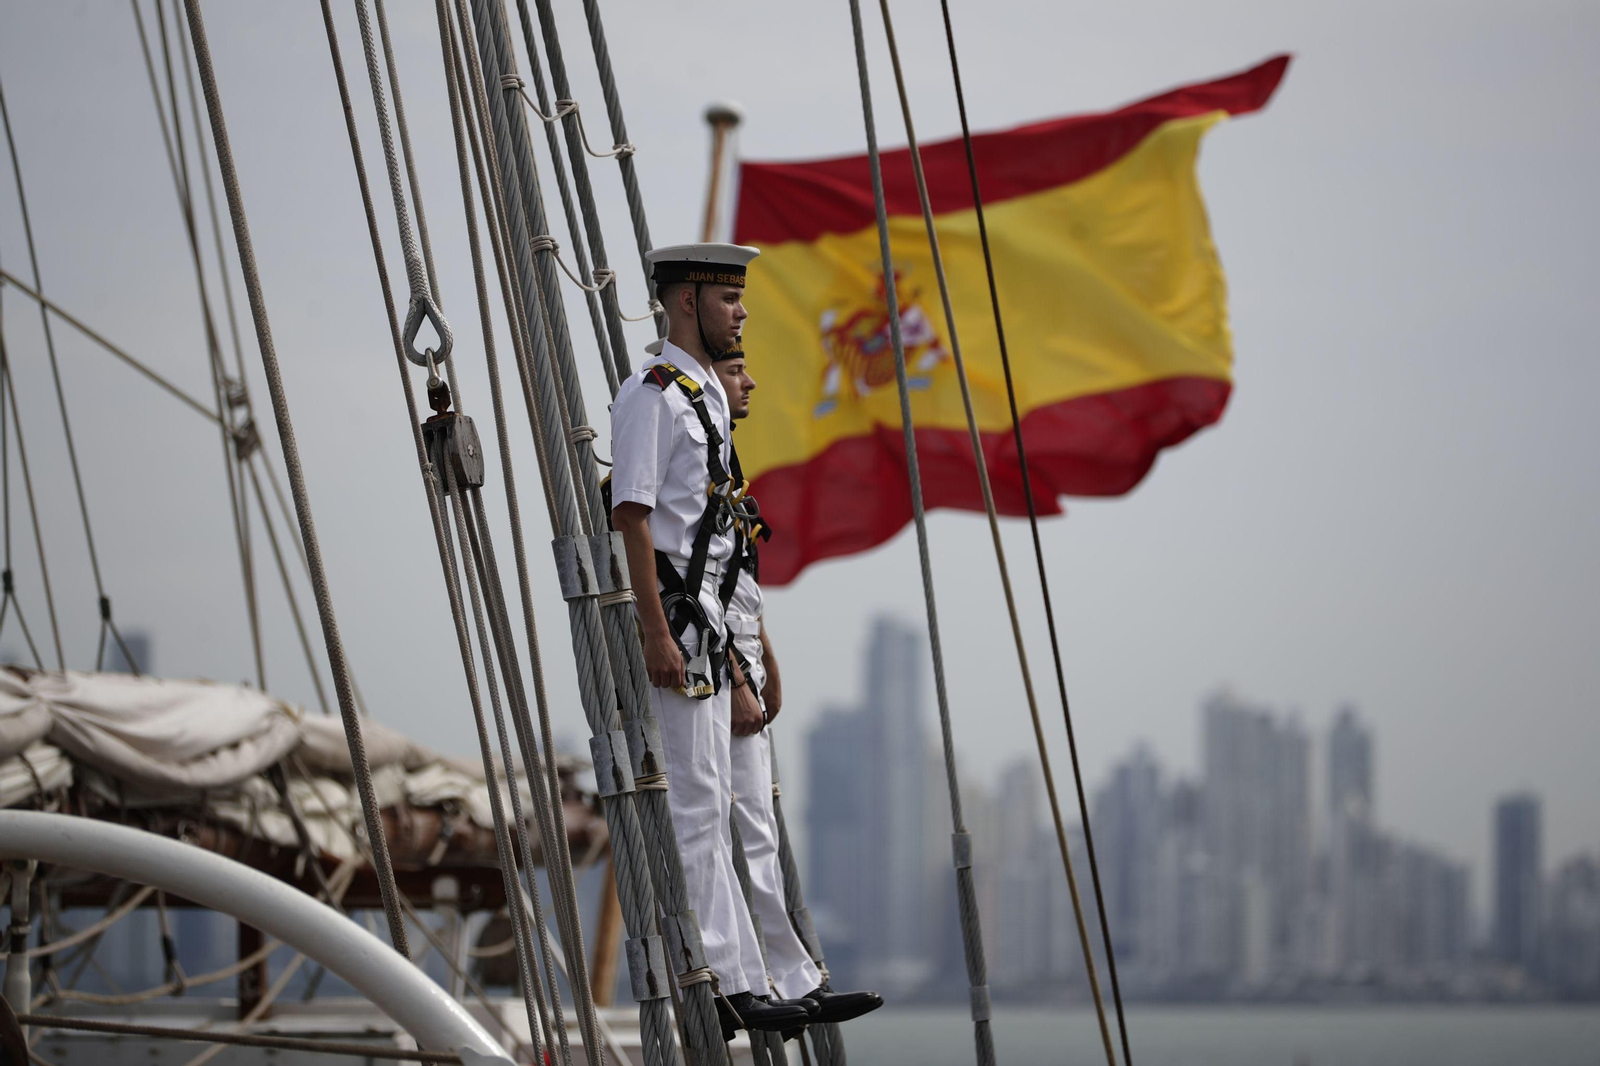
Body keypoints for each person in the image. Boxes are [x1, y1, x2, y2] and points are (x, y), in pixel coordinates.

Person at [608, 244, 812, 1041]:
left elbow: (720, 537)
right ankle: (727, 982)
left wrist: (749, 654)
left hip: (716, 635)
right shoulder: (652, 397)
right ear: (686, 301)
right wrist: (655, 632)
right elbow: (632, 515)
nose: (742, 314)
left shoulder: (705, 398)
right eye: (729, 300)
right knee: (697, 809)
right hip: (680, 634)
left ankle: (772, 975)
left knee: (745, 806)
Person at [713, 351, 885, 1030]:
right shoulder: (690, 467)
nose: (750, 382)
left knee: (758, 833)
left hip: (743, 669)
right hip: (711, 675)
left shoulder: (727, 474)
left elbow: (740, 588)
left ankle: (791, 982)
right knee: (711, 832)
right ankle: (739, 982)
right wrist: (733, 679)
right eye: (736, 372)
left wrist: (768, 667)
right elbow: (686, 589)